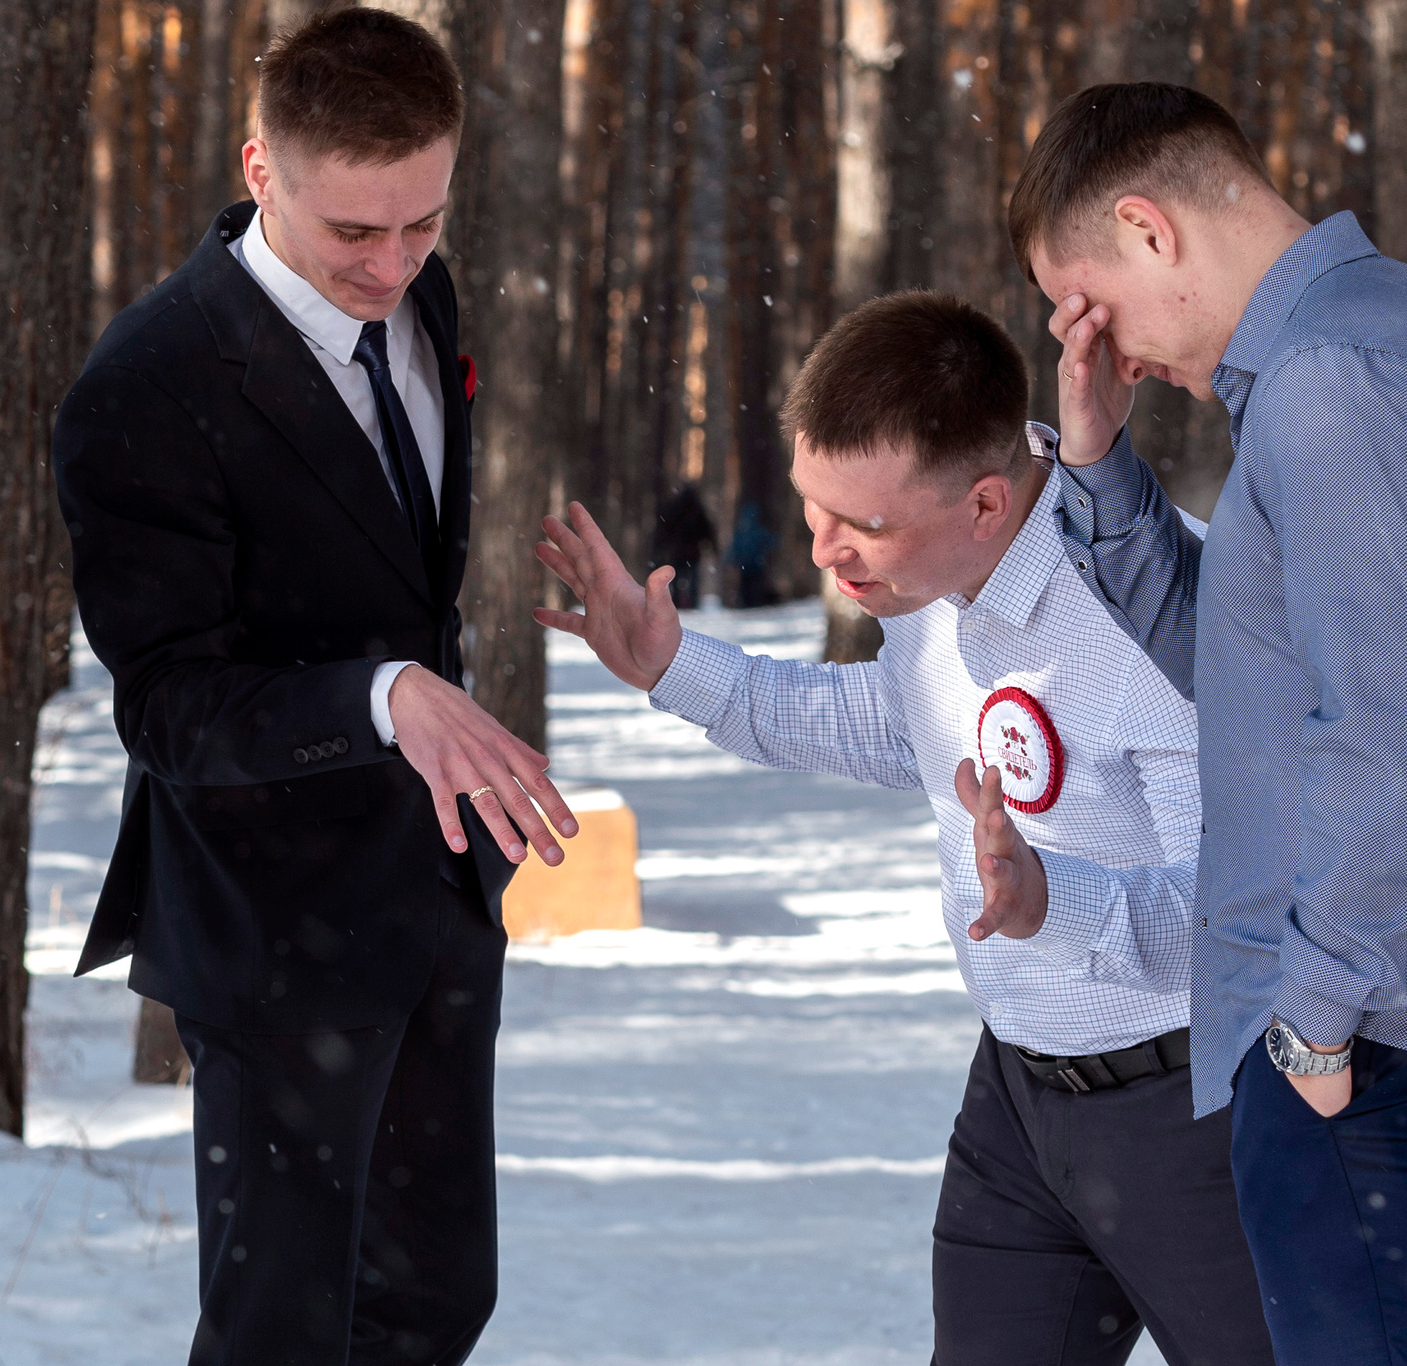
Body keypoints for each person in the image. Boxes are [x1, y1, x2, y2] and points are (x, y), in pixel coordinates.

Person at [536, 291, 1273, 1366]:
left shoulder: (1154, 612)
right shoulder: (926, 584)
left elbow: (1239, 919)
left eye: (863, 524)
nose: (825, 552)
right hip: (1017, 1113)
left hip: (1197, 1121)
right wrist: (670, 664)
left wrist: (1049, 901)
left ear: (983, 503)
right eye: (812, 507)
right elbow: (897, 726)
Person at [1017, 81, 1407, 1366]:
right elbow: (1253, 689)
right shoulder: (1358, 344)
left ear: (1148, 226)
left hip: (1370, 1043)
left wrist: (1315, 1020)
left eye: (1090, 301)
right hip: (1372, 1036)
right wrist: (1102, 465)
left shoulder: (1336, 381)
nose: (1096, 344)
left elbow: (1379, 735)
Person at [53, 6, 579, 1366]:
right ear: (259, 168)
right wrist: (380, 695)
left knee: (436, 1298)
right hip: (273, 928)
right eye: (356, 233)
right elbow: (168, 705)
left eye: (424, 224)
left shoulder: (423, 299)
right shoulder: (149, 380)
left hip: (441, 898)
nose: (394, 265)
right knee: (281, 1332)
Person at [651, 482, 718, 609]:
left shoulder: (677, 508)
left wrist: (662, 546)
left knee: (678, 577)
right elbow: (707, 530)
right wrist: (712, 547)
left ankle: (678, 602)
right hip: (690, 551)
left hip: (680, 551)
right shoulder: (696, 509)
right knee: (691, 578)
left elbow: (665, 529)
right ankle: (691, 602)